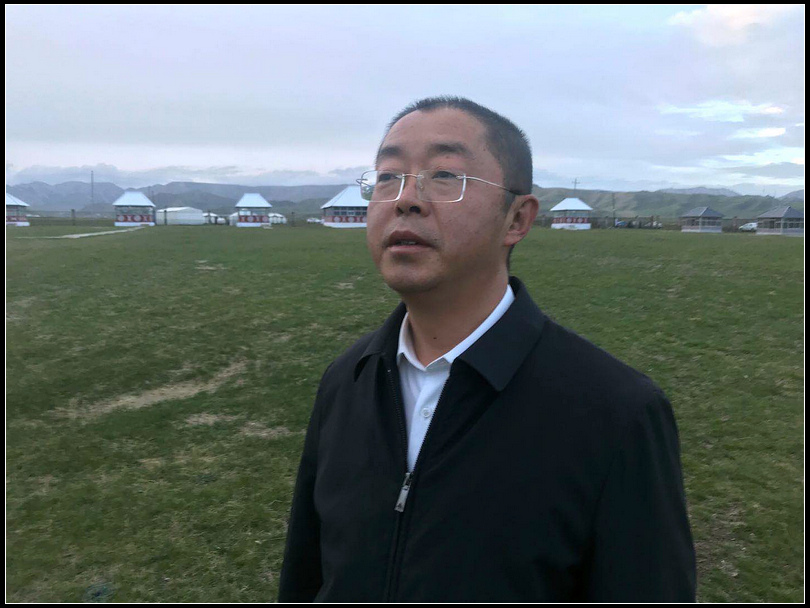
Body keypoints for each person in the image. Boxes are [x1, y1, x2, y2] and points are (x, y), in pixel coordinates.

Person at [278, 96, 696, 602]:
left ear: (517, 219)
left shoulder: (616, 413)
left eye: (445, 175)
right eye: (388, 176)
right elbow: (306, 576)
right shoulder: (347, 379)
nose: (405, 199)